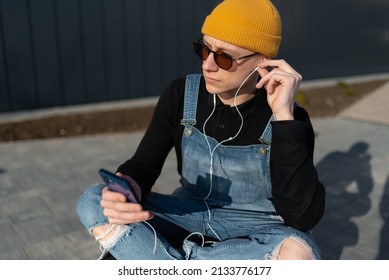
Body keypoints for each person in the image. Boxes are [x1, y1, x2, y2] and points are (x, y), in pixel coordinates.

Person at [76, 0, 325, 260]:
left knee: (298, 255)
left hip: (257, 228)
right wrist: (126, 189)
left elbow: (301, 216)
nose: (208, 65)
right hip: (186, 215)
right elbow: (144, 166)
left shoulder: (289, 117)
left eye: (224, 57)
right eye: (204, 50)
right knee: (93, 200)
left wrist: (283, 118)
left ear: (262, 62)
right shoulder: (181, 94)